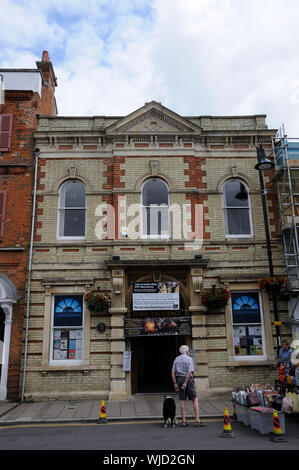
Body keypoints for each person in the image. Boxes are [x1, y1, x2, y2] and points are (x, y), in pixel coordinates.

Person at [171, 345, 205, 427]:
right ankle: (197, 420)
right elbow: (189, 372)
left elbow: (172, 372)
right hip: (188, 380)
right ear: (187, 351)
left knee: (182, 400)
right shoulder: (189, 359)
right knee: (194, 398)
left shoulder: (176, 359)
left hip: (179, 379)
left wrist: (175, 383)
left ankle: (183, 420)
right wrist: (186, 383)